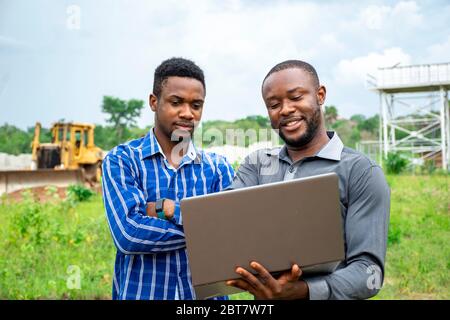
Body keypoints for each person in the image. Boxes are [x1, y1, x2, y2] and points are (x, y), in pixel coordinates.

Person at [226, 60, 390, 300]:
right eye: (274, 104)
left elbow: (369, 272)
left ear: (320, 95)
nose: (285, 109)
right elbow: (226, 220)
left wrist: (305, 291)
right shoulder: (256, 165)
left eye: (296, 97)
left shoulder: (361, 172)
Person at [102, 57, 234, 300]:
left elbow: (235, 232)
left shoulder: (218, 168)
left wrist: (168, 209)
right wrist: (206, 230)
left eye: (196, 105)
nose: (187, 113)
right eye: (176, 102)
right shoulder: (122, 160)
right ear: (154, 102)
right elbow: (129, 235)